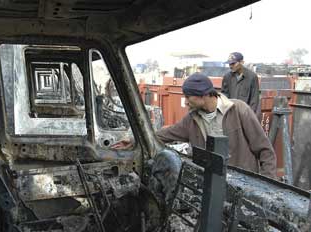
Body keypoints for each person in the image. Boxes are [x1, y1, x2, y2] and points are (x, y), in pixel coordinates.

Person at [112, 73, 277, 178]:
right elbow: (164, 134)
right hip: (212, 185)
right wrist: (133, 140)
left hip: (245, 185)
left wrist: (268, 187)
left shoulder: (239, 110)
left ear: (203, 95)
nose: (185, 101)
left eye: (188, 96)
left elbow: (265, 150)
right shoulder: (191, 120)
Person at [221, 52, 261, 119]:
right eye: (229, 64)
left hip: (245, 115)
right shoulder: (227, 77)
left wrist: (250, 116)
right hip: (230, 114)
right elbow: (224, 96)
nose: (231, 66)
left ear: (242, 62)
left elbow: (254, 99)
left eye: (233, 63)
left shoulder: (252, 77)